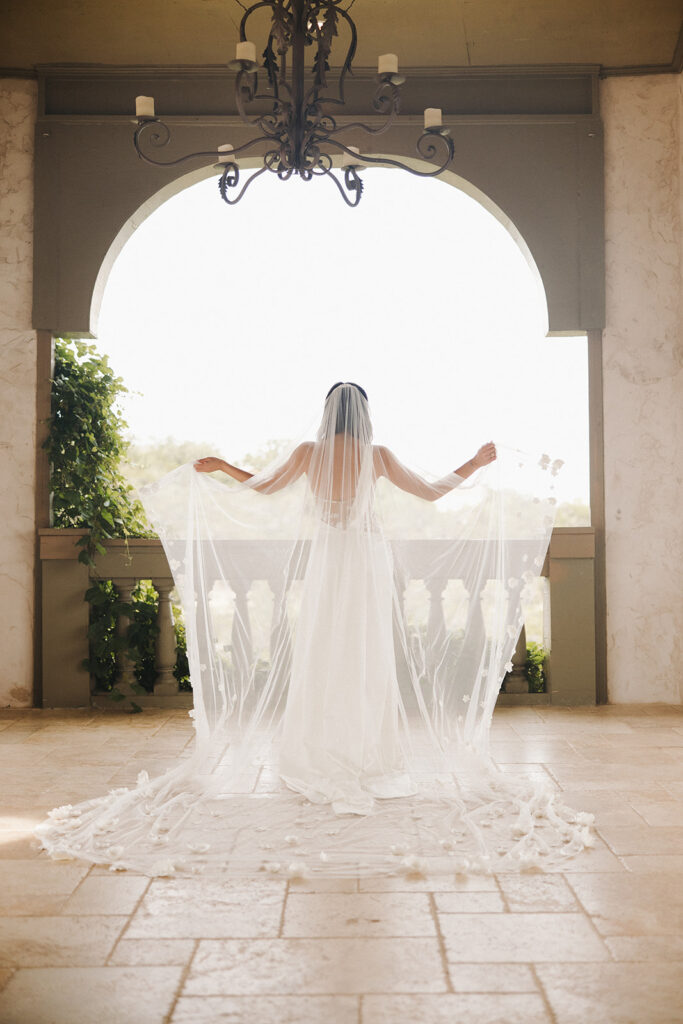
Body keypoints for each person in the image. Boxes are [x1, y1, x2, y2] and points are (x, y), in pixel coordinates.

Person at [35, 382, 594, 877]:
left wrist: (224, 466)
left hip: (329, 560)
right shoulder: (377, 455)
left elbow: (262, 488)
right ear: (364, 417)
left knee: (324, 650)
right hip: (366, 559)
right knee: (365, 652)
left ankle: (318, 750)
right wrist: (474, 463)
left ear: (327, 415)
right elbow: (432, 491)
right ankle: (369, 754)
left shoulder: (308, 452)